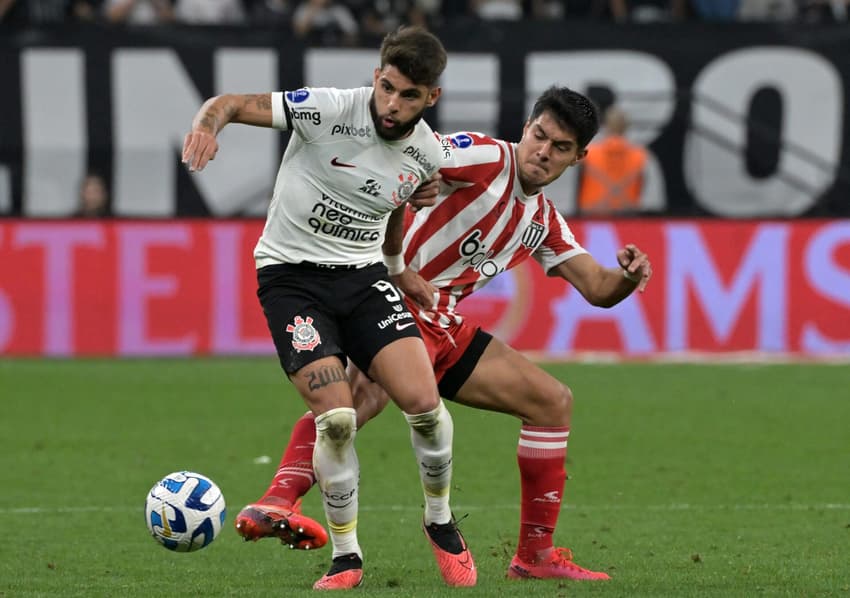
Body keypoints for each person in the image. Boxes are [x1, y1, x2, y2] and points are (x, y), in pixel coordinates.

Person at [236, 86, 653, 581]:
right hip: (386, 296)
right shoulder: (481, 155)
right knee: (359, 396)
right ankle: (278, 500)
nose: (543, 151)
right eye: (540, 135)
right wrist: (412, 195)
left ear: (579, 157)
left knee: (552, 402)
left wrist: (626, 276)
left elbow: (598, 287)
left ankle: (534, 557)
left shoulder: (542, 220)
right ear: (525, 128)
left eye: (560, 147)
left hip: (443, 323)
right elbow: (409, 156)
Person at [182, 26, 476, 591]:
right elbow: (230, 103)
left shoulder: (427, 154)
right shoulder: (324, 109)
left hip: (364, 279)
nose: (392, 105)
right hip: (291, 280)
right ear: (375, 75)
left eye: (409, 95)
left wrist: (395, 264)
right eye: (387, 87)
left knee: (425, 405)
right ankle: (347, 558)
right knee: (337, 419)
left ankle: (439, 520)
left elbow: (393, 205)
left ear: (430, 98)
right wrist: (205, 128)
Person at [577, 104, 648, 215]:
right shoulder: (639, 155)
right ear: (626, 127)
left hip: (592, 215)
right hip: (627, 215)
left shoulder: (589, 153)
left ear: (605, 126)